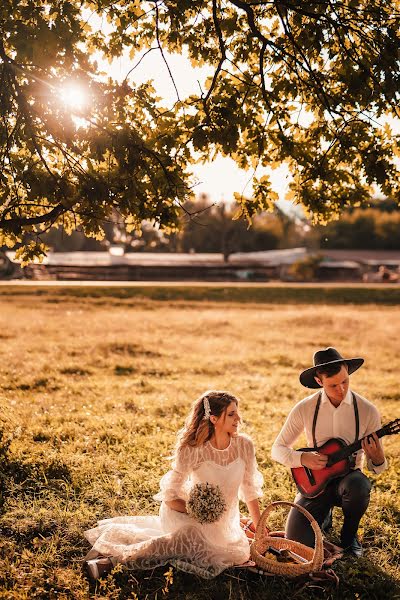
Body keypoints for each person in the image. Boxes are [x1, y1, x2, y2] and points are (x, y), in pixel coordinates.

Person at [84, 391, 263, 579]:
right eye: (232, 414)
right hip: (189, 516)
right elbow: (170, 497)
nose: (238, 419)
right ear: (214, 418)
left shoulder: (244, 445)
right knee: (188, 538)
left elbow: (250, 489)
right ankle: (110, 562)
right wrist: (199, 512)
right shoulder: (193, 449)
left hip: (226, 524)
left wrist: (260, 531)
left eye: (237, 412)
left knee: (225, 553)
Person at [271, 347, 387, 558]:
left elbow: (377, 468)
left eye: (345, 381)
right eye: (333, 385)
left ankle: (349, 536)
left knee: (359, 485)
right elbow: (277, 450)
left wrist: (377, 457)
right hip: (316, 483)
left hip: (349, 481)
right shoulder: (305, 408)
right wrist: (302, 458)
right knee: (297, 544)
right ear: (319, 381)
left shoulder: (367, 411)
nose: (341, 389)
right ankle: (323, 515)